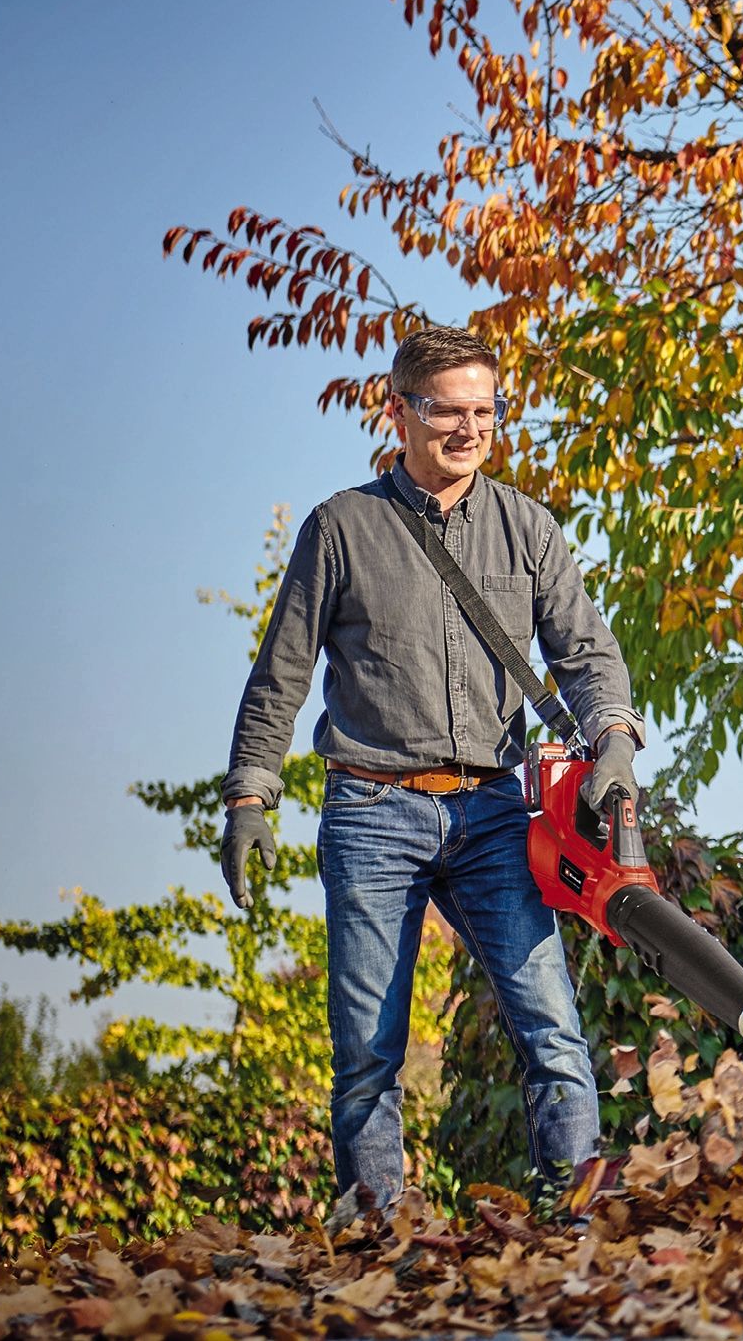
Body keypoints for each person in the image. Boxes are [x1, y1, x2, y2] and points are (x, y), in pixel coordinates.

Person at [218, 324, 643, 1209]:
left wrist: (614, 743)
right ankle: (380, 1235)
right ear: (399, 411)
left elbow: (589, 656)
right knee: (369, 1049)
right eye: (449, 411)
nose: (469, 430)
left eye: (485, 412)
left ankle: (574, 1220)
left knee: (554, 1031)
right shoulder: (342, 528)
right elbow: (281, 677)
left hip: (493, 815)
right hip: (373, 808)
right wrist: (251, 798)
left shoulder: (527, 527)